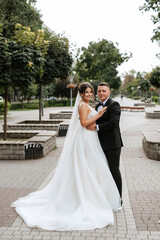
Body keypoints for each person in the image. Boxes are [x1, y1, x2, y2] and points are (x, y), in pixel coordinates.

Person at [11, 82, 121, 231]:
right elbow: (83, 123)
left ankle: (113, 198)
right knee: (87, 169)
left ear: (108, 92)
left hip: (97, 141)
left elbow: (111, 123)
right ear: (81, 94)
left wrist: (97, 122)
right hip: (86, 140)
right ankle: (87, 199)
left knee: (104, 169)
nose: (91, 94)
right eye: (87, 92)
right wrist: (98, 116)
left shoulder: (109, 105)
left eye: (92, 92)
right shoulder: (84, 105)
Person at [87, 82, 123, 205]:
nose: (101, 93)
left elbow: (114, 122)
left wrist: (96, 127)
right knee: (102, 171)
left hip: (112, 144)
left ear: (109, 92)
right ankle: (106, 196)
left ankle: (119, 198)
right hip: (99, 144)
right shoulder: (97, 106)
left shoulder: (114, 105)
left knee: (114, 170)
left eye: (103, 91)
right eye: (99, 91)